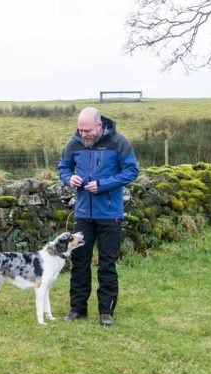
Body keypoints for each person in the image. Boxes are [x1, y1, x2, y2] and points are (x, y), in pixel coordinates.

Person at [58, 107, 139, 326]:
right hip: (83, 214)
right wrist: (69, 178)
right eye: (80, 130)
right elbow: (63, 167)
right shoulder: (72, 144)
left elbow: (132, 171)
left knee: (107, 264)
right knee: (80, 262)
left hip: (110, 214)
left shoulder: (119, 142)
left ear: (99, 125)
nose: (83, 134)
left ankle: (106, 312)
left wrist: (104, 185)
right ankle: (77, 309)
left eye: (87, 130)